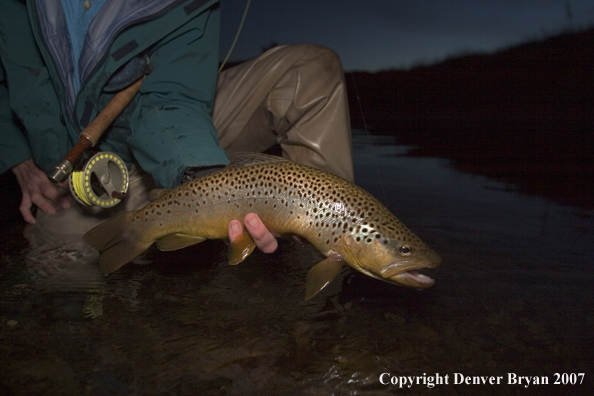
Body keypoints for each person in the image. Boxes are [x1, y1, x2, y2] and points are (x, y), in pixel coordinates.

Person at [0, 0, 354, 260]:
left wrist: (208, 182)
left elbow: (174, 99)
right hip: (81, 164)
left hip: (176, 127)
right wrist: (16, 152)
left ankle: (320, 242)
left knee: (312, 70)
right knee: (56, 257)